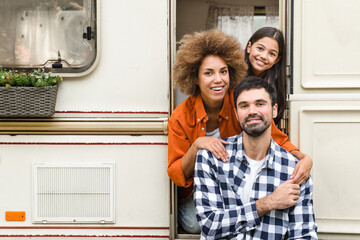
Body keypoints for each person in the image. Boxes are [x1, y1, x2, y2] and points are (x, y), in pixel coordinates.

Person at [167, 29, 311, 234]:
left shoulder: (239, 102)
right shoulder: (181, 116)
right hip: (198, 187)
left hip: (230, 182)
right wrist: (198, 144)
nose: (218, 79)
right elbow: (177, 174)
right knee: (194, 224)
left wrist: (303, 158)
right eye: (209, 73)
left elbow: (275, 136)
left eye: (223, 72)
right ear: (195, 78)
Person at [194, 76, 318, 239]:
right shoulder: (211, 157)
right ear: (236, 114)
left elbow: (304, 235)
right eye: (244, 106)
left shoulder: (295, 171)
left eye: (260, 104)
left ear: (274, 110)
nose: (252, 111)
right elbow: (210, 225)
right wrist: (270, 202)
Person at [245, 27, 286, 124]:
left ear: (277, 60)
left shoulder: (274, 82)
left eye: (271, 54)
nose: (263, 56)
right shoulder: (233, 72)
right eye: (260, 49)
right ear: (249, 47)